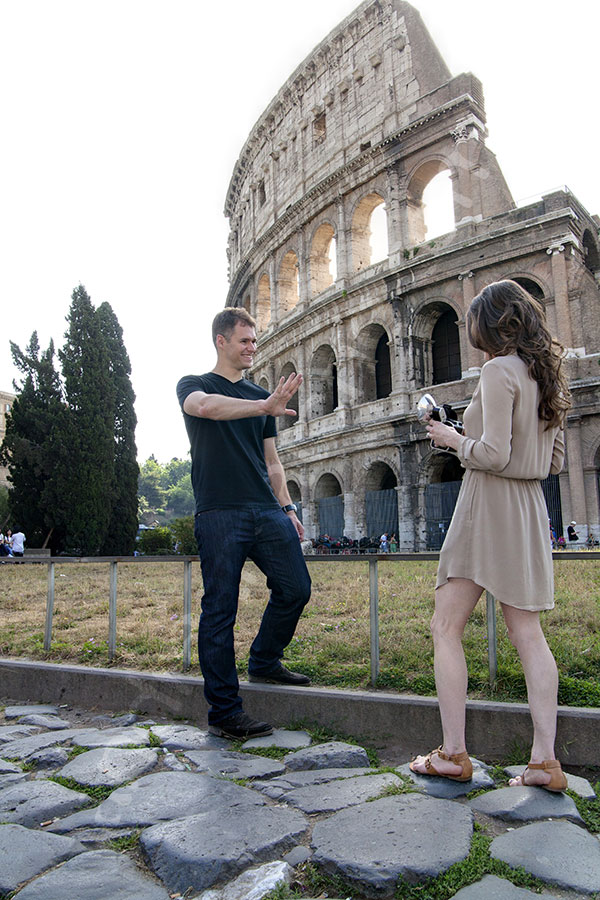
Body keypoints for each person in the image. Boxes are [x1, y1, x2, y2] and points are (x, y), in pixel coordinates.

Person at [410, 280, 570, 791]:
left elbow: (494, 455)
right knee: (529, 635)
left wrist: (454, 439)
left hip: (486, 506)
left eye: (474, 318)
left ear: (494, 323)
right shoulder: (548, 378)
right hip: (527, 510)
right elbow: (555, 461)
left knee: (445, 626)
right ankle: (545, 761)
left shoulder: (499, 371)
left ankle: (453, 752)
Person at [176, 307, 311, 741]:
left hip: (266, 510)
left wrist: (288, 509)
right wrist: (263, 404)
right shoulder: (195, 384)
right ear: (221, 341)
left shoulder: (260, 397)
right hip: (219, 513)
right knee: (220, 610)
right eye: (244, 341)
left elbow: (273, 462)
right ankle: (225, 712)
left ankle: (265, 660)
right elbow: (206, 409)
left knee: (295, 588)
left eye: (254, 341)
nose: (252, 347)